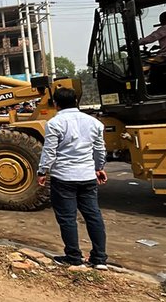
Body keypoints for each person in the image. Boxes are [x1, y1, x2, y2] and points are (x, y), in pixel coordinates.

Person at [37, 87, 108, 270]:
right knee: (93, 215)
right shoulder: (94, 123)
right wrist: (99, 168)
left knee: (68, 218)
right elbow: (99, 150)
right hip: (87, 176)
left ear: (55, 104)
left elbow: (49, 152)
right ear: (76, 101)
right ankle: (99, 258)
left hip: (64, 177)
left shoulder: (54, 123)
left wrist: (42, 172)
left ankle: (73, 256)